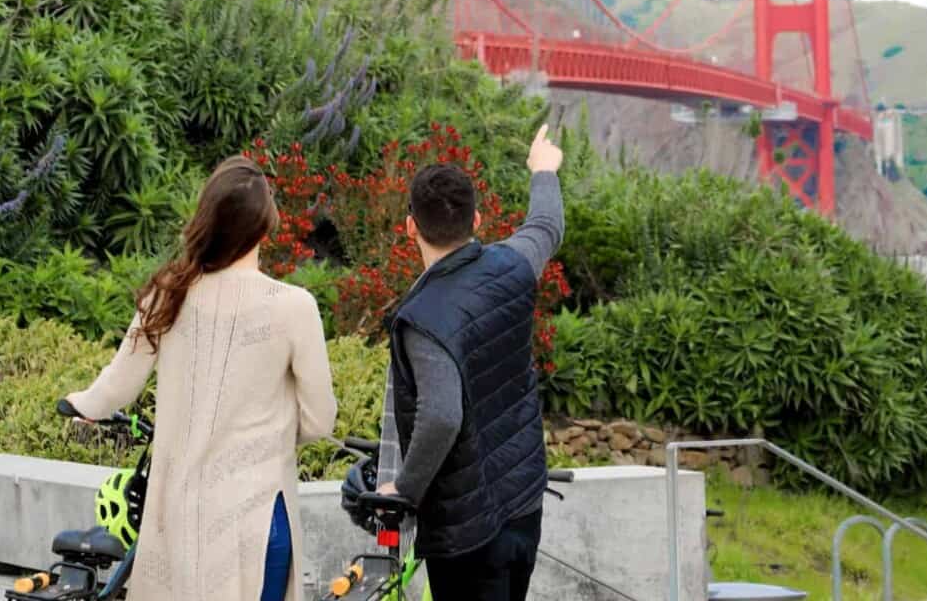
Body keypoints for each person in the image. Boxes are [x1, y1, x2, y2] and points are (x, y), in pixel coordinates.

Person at [65, 155, 337, 601]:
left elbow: (116, 386)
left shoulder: (168, 294)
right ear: (264, 226)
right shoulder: (293, 306)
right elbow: (320, 421)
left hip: (178, 517)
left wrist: (81, 406)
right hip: (257, 516)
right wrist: (271, 434)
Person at [376, 125, 565, 601]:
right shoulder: (513, 265)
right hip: (523, 508)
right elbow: (547, 226)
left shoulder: (423, 320)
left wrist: (405, 489)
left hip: (467, 538)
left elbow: (441, 416)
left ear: (410, 227)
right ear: (477, 219)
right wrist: (543, 169)